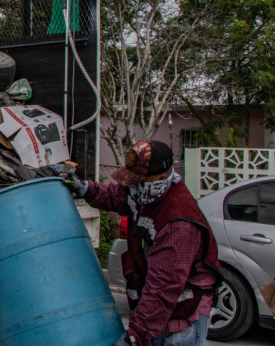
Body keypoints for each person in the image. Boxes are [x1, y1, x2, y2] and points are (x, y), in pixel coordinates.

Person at [63, 140, 221, 346]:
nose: (132, 187)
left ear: (161, 178)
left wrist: (136, 336)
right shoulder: (146, 195)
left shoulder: (177, 223)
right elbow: (116, 196)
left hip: (182, 313)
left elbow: (162, 288)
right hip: (156, 308)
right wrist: (84, 188)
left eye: (138, 182)